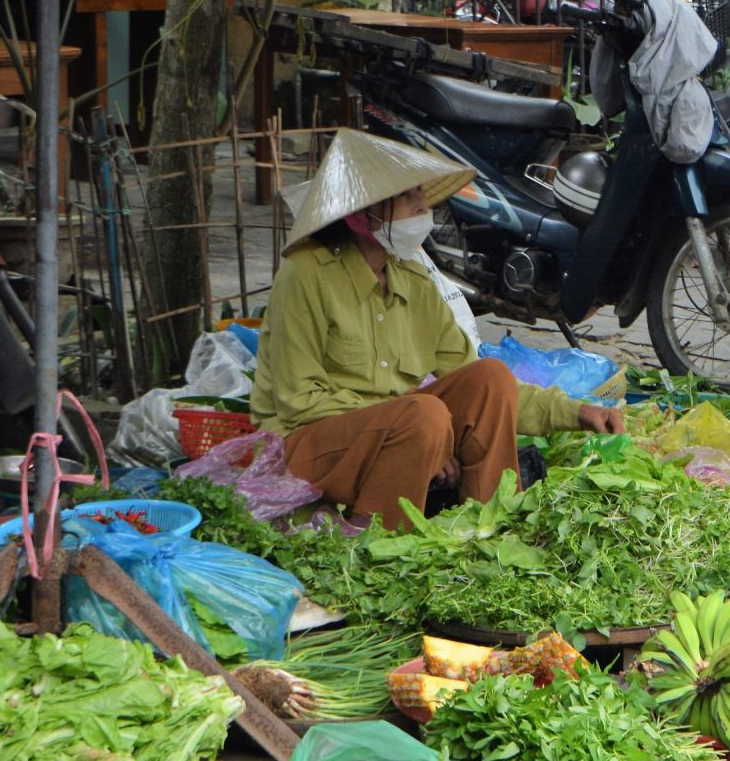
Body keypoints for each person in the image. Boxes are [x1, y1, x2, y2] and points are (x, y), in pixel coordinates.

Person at [251, 130, 623, 527]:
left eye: (421, 194)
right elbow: (301, 401)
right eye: (407, 196)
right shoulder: (306, 275)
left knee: (490, 378)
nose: (422, 205)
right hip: (310, 446)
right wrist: (419, 432)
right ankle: (376, 542)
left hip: (400, 432)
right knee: (424, 414)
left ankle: (486, 526)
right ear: (362, 215)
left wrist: (578, 412)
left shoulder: (412, 278)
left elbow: (472, 380)